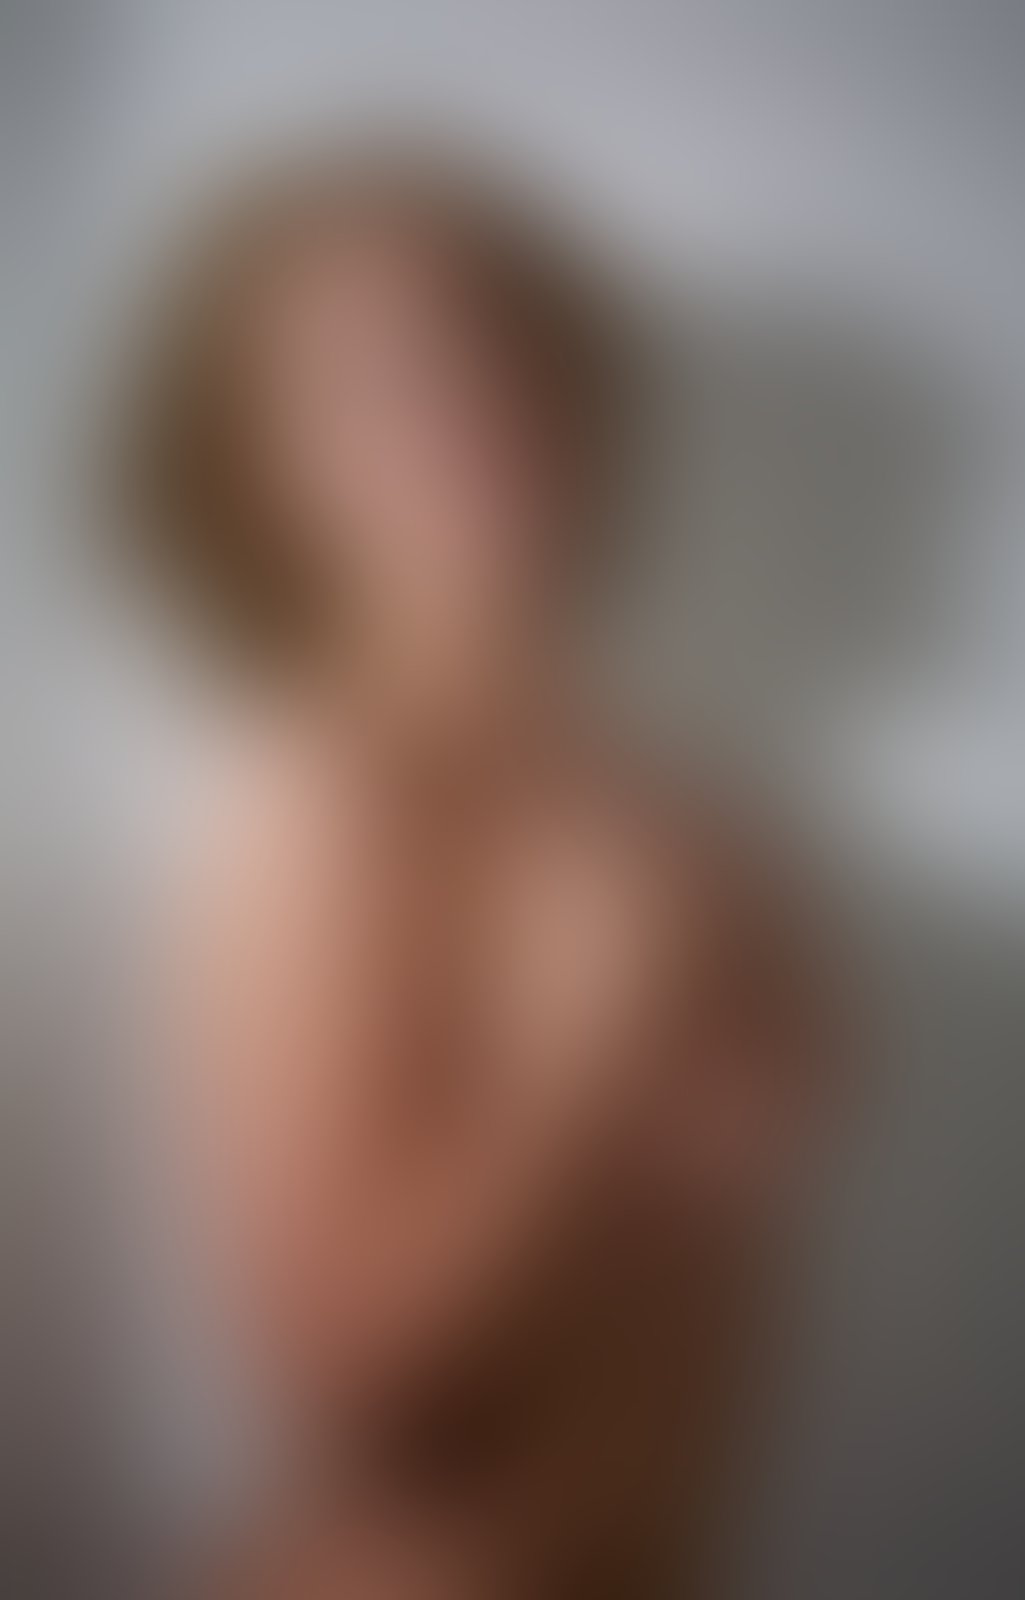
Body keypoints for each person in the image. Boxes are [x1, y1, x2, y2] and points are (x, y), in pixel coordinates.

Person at [119, 150, 830, 1599]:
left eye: (492, 344)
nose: (465, 407)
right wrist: (581, 1058)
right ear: (263, 470)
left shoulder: (672, 816)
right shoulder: (334, 808)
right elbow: (346, 1376)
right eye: (373, 382)